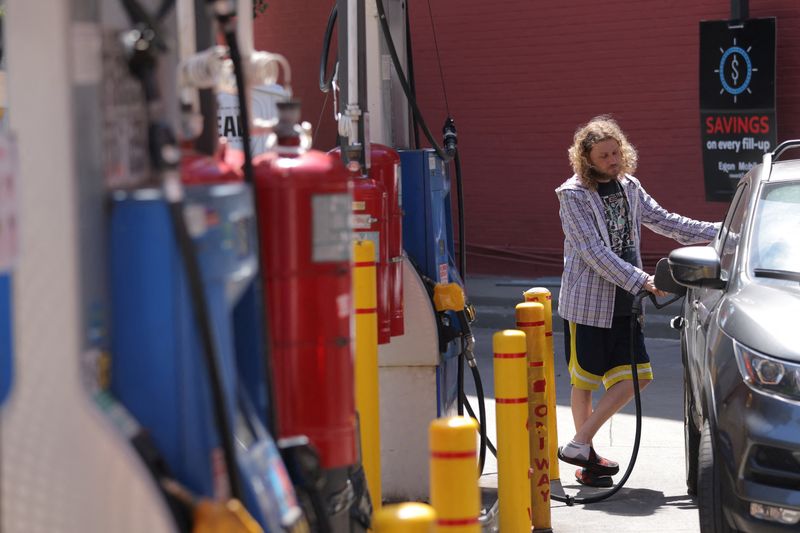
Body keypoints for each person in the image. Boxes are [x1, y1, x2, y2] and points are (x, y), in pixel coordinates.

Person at [555, 116, 719, 487]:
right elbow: (592, 252)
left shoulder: (629, 186)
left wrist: (722, 231)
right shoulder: (574, 196)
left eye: (616, 152)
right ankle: (589, 462)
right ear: (587, 159)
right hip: (588, 303)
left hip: (626, 301)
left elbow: (665, 221)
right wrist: (641, 280)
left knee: (638, 376)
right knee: (585, 382)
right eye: (604, 155)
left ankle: (579, 443)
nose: (613, 160)